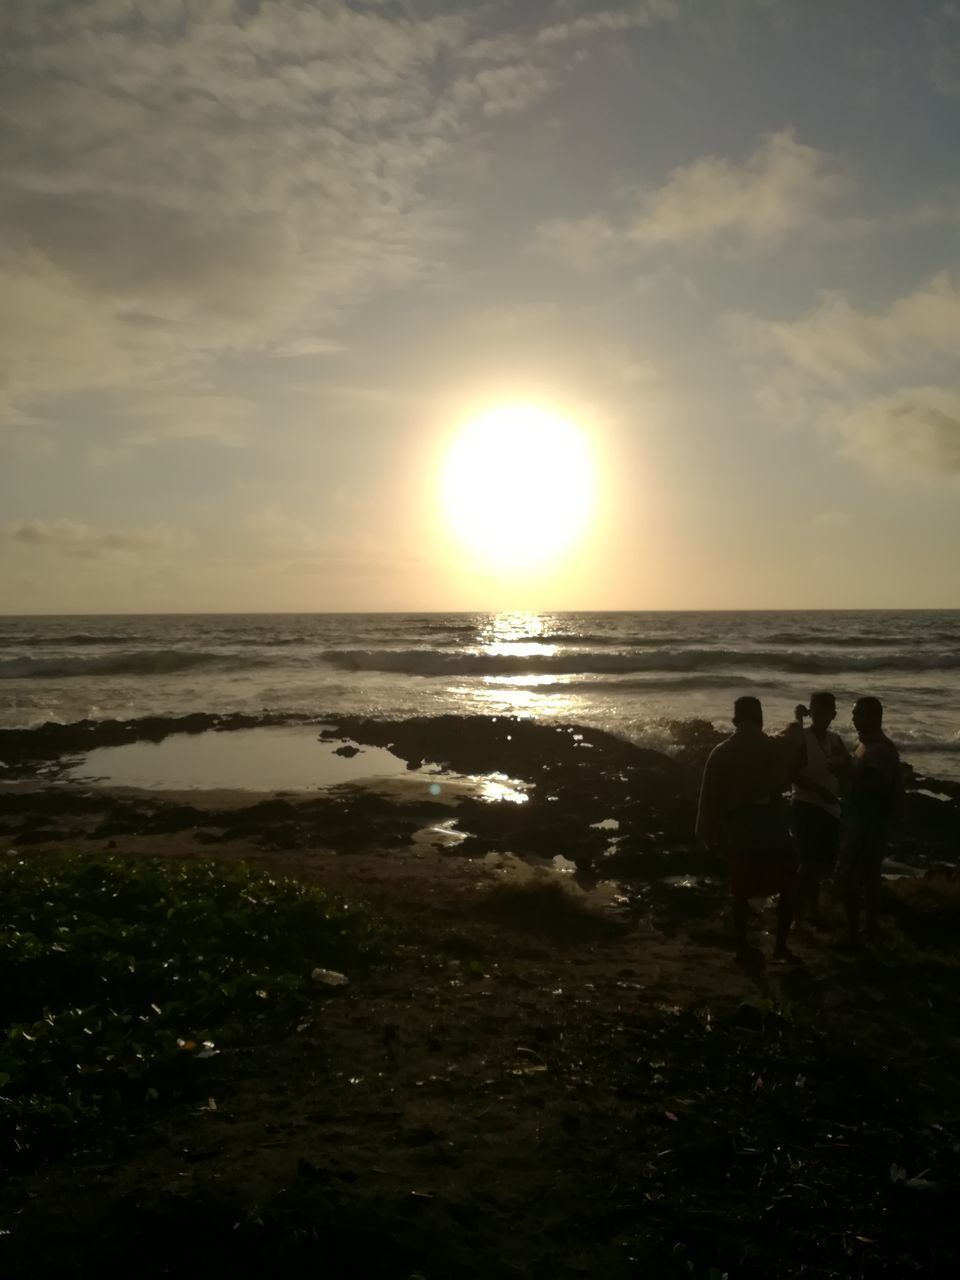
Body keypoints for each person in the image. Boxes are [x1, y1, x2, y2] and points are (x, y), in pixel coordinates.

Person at [696, 696, 799, 964]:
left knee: (740, 892)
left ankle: (742, 947)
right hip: (774, 826)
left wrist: (708, 833)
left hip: (741, 829)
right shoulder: (774, 747)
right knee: (787, 887)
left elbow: (708, 798)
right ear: (760, 718)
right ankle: (780, 946)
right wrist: (797, 719)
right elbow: (793, 739)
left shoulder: (720, 753)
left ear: (735, 720)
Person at [839, 696, 902, 948]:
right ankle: (868, 931)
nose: (853, 718)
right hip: (859, 820)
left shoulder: (881, 750)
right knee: (869, 879)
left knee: (849, 880)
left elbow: (879, 786)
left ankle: (855, 935)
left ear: (873, 717)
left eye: (858, 714)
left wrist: (847, 773)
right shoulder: (865, 745)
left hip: (870, 824)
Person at [787, 693, 849, 927]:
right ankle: (797, 915)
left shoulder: (835, 740)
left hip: (831, 807)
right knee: (808, 862)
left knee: (822, 863)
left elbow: (845, 769)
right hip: (806, 804)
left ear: (833, 714)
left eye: (827, 712)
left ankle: (813, 909)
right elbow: (792, 773)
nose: (822, 716)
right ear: (810, 712)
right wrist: (818, 790)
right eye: (817, 711)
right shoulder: (803, 737)